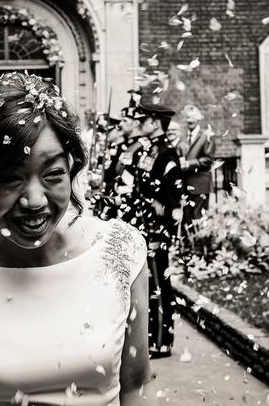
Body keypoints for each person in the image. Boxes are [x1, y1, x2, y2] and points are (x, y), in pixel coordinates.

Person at [0, 72, 158, 406]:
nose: (34, 201)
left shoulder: (120, 251)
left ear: (72, 170)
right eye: (10, 178)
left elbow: (135, 384)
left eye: (53, 175)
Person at [116, 98, 182, 359]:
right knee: (148, 284)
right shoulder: (149, 149)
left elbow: (173, 196)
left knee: (159, 284)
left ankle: (162, 342)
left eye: (144, 120)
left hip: (157, 230)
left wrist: (163, 227)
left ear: (155, 123)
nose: (140, 123)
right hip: (143, 226)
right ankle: (151, 337)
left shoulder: (166, 153)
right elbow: (139, 186)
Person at [179, 105, 215, 233]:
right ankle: (190, 243)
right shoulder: (183, 137)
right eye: (188, 118)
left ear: (198, 119)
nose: (190, 121)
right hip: (186, 184)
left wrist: (189, 164)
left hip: (200, 184)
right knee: (187, 217)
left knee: (199, 217)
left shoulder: (207, 136)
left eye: (193, 118)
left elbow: (208, 159)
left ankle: (201, 243)